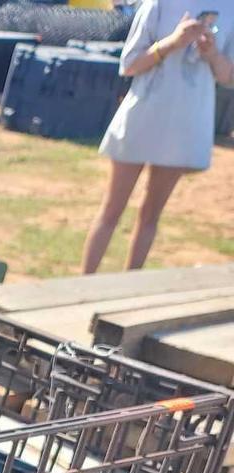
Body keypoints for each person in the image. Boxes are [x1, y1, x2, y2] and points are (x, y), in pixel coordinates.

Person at [81, 1, 234, 274]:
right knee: (111, 211)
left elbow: (227, 77)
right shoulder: (159, 4)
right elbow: (129, 65)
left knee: (151, 216)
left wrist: (211, 54)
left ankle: (130, 290)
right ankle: (81, 286)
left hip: (185, 124)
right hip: (143, 116)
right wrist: (172, 43)